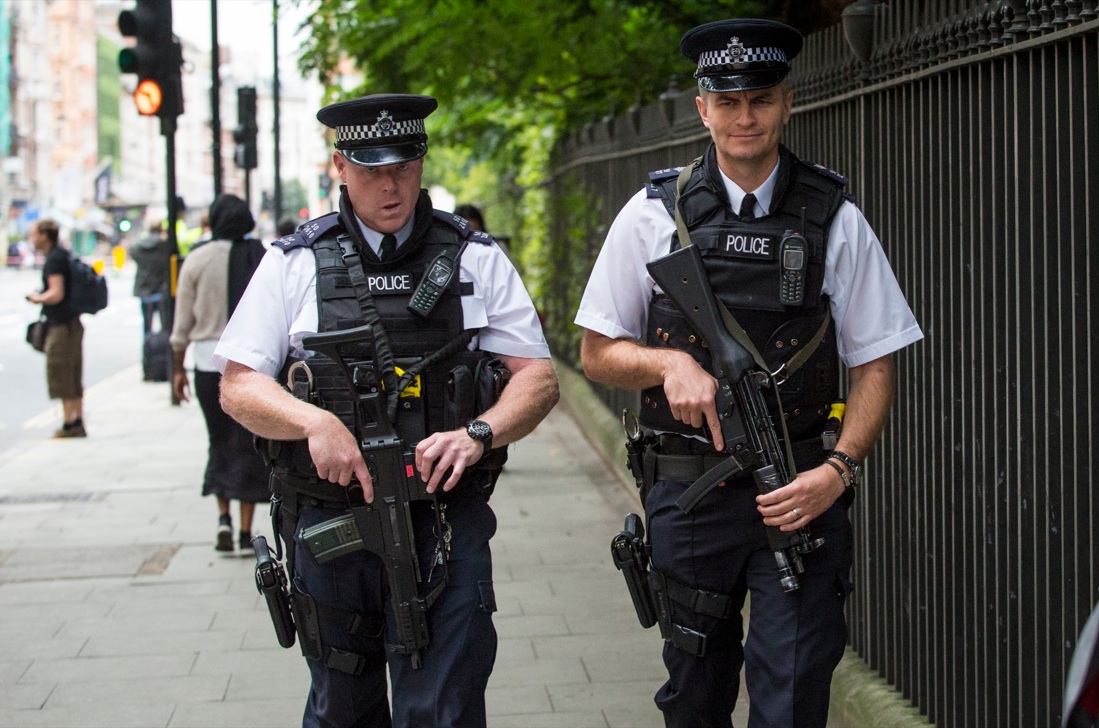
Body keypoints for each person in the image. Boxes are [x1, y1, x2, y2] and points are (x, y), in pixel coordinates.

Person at [574, 19, 924, 728]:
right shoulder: (652, 217)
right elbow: (596, 351)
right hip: (690, 495)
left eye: (759, 99)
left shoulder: (834, 218)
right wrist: (667, 361)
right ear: (702, 109)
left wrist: (840, 469)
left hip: (800, 490)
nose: (744, 117)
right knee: (695, 695)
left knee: (794, 693)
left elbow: (877, 361)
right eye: (726, 102)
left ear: (787, 104)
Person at [214, 93, 559, 727]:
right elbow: (237, 386)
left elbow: (537, 379)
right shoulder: (293, 263)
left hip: (444, 522)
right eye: (371, 169)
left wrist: (481, 432)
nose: (389, 184)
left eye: (402, 165)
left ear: (422, 162)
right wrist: (313, 421)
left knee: (445, 710)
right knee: (342, 709)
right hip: (330, 526)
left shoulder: (474, 258)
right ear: (339, 167)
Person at [170, 194, 269, 552]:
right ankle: (245, 531)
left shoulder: (197, 259)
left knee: (218, 440)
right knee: (248, 443)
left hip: (204, 361)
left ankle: (222, 518)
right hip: (249, 362)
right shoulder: (262, 257)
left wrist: (177, 369)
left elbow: (181, 322)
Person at [25, 219, 87, 438]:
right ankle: (77, 420)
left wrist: (36, 298)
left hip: (62, 325)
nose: (30, 239)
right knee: (73, 373)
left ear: (44, 235)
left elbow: (56, 293)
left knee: (61, 372)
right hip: (71, 323)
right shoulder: (63, 254)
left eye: (33, 234)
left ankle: (70, 423)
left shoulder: (54, 259)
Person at [129, 221, 174, 343]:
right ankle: (163, 353)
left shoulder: (138, 246)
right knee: (165, 326)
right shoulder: (164, 246)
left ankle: (148, 354)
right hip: (161, 289)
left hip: (144, 290)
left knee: (147, 327)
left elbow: (132, 253)